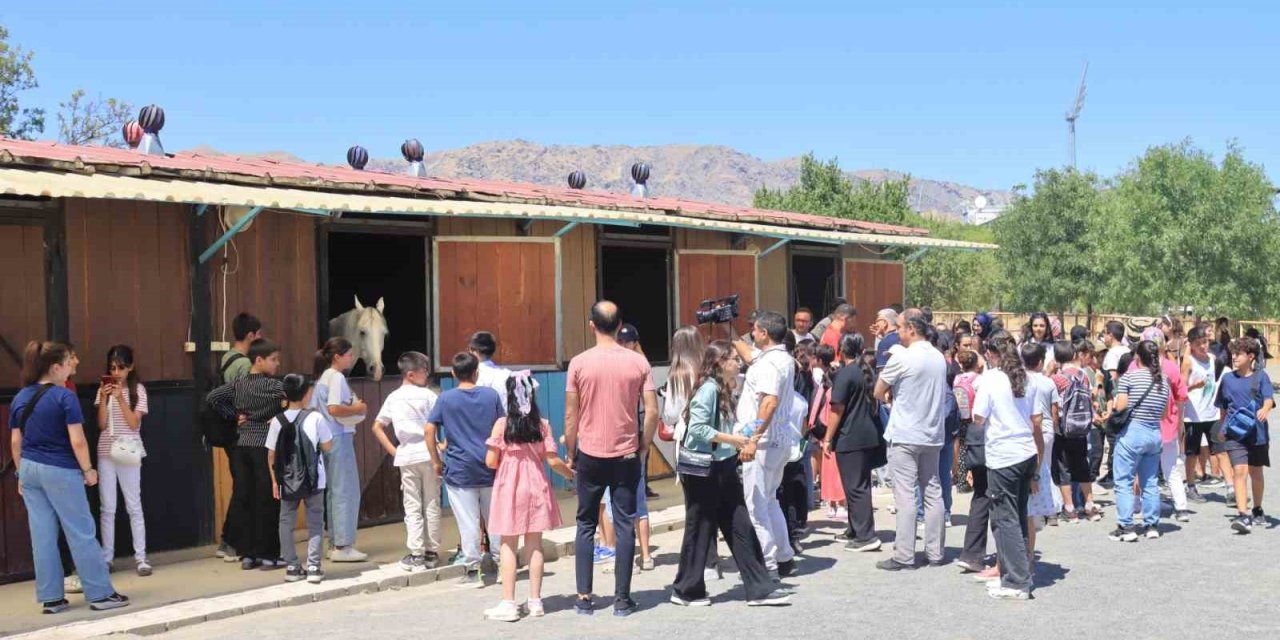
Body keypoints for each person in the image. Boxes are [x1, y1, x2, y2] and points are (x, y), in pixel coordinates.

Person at [10, 341, 130, 614]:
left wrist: (20, 473)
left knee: (42, 535)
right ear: (55, 368)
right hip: (61, 469)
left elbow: (16, 441)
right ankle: (100, 594)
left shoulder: (20, 397)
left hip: (29, 469)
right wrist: (88, 469)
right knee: (81, 532)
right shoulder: (64, 397)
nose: (73, 365)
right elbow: (77, 441)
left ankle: (51, 598)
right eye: (68, 361)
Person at [670, 341, 791, 607]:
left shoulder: (723, 390)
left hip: (723, 467)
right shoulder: (708, 391)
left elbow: (733, 429)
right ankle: (685, 590)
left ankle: (759, 588)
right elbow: (698, 430)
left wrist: (756, 427)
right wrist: (735, 441)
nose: (740, 363)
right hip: (704, 470)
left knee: (741, 526)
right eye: (735, 359)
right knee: (699, 528)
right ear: (720, 363)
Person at [563, 301, 658, 617]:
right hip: (626, 453)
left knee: (586, 523)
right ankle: (621, 599)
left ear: (592, 325)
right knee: (626, 521)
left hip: (590, 452)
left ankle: (584, 597)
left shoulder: (578, 363)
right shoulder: (638, 363)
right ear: (620, 326)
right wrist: (643, 447)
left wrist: (572, 451)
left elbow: (571, 414)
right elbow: (652, 411)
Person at [483, 372, 575, 621]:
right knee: (534, 545)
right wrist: (570, 474)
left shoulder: (502, 424)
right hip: (536, 485)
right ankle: (535, 602)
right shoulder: (542, 424)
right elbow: (553, 460)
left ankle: (509, 603)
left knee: (508, 544)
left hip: (509, 487)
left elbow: (491, 461)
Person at [872, 308, 948, 571]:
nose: (898, 332)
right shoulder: (939, 357)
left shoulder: (902, 358)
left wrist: (893, 397)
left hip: (905, 433)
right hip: (931, 432)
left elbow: (878, 391)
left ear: (911, 329)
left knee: (904, 495)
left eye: (901, 328)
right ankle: (935, 552)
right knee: (932, 491)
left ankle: (904, 554)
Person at [970, 334, 1042, 600]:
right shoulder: (1028, 378)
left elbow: (979, 418)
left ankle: (1016, 581)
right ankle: (1020, 572)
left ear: (992, 354)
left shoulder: (991, 379)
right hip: (1026, 453)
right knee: (1018, 516)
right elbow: (1036, 420)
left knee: (1005, 518)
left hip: (1004, 455)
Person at [206, 338, 286, 570]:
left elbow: (212, 398)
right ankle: (269, 554)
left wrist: (234, 415)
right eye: (273, 359)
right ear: (258, 360)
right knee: (269, 499)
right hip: (264, 444)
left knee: (247, 497)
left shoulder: (238, 384)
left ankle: (249, 554)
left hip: (241, 445)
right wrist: (278, 416)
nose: (277, 364)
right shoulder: (273, 386)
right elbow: (295, 393)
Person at [427, 352, 505, 587]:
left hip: (459, 468)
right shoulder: (490, 396)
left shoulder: (446, 399)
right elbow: (501, 427)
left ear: (453, 373)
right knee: (496, 520)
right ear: (476, 372)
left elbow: (429, 430)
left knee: (468, 521)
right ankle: (504, 567)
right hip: (491, 466)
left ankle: (473, 572)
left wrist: (435, 461)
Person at [734, 311, 799, 581]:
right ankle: (783, 556)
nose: (752, 334)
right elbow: (750, 357)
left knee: (756, 506)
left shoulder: (769, 365)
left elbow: (769, 401)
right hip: (779, 441)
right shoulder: (781, 358)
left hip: (763, 444)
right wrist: (731, 332)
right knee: (770, 501)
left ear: (764, 334)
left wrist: (753, 437)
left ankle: (767, 564)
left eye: (755, 330)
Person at [371, 351, 443, 572]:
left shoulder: (394, 397)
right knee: (432, 502)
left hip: (407, 456)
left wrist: (395, 451)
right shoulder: (429, 396)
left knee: (412, 505)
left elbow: (377, 426)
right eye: (424, 371)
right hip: (430, 454)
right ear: (411, 374)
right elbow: (445, 419)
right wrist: (443, 445)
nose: (427, 375)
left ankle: (416, 553)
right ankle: (432, 552)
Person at [266, 374, 333, 584]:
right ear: (305, 395)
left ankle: (293, 567)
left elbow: (271, 455)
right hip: (314, 479)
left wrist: (274, 481)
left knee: (286, 521)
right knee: (315, 522)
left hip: (286, 478)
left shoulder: (277, 421)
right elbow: (328, 446)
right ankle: (313, 566)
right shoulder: (316, 418)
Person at [600, 324, 655, 571]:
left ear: (634, 342)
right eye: (620, 341)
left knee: (621, 502)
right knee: (633, 500)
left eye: (627, 341)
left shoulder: (636, 366)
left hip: (627, 442)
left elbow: (649, 411)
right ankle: (641, 556)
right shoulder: (639, 365)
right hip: (633, 441)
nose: (623, 345)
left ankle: (631, 556)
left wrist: (644, 445)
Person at [825, 333, 885, 552]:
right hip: (868, 435)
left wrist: (827, 438)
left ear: (841, 350)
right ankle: (855, 528)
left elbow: (836, 410)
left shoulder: (846, 374)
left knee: (855, 487)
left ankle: (865, 536)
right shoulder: (864, 371)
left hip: (851, 437)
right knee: (860, 485)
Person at [311, 337, 369, 563]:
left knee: (335, 491)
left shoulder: (323, 378)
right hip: (339, 437)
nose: (351, 357)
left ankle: (335, 542)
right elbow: (335, 408)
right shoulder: (336, 378)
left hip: (327, 438)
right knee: (345, 490)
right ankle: (343, 545)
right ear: (337, 357)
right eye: (348, 354)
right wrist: (358, 407)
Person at [95, 345, 151, 575]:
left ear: (130, 367)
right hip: (106, 451)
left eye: (120, 367)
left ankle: (141, 558)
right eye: (112, 368)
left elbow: (133, 423)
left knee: (133, 504)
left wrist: (120, 399)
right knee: (107, 507)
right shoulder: (104, 391)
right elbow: (101, 424)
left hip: (128, 450)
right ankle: (107, 558)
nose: (116, 372)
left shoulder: (138, 390)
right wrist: (107, 397)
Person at [1109, 340, 1171, 542]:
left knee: (1124, 481)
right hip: (1154, 432)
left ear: (1137, 357)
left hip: (1132, 432)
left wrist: (1110, 409)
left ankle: (1126, 526)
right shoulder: (1164, 380)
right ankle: (1152, 524)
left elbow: (1121, 406)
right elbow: (1163, 413)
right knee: (1150, 481)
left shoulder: (1129, 377)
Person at [1215, 337, 1274, 534]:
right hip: (1235, 435)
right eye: (1232, 354)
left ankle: (1257, 509)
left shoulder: (1261, 377)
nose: (1234, 357)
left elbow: (1268, 399)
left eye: (1238, 354)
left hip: (1257, 434)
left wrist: (1265, 409)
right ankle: (1243, 514)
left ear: (1250, 357)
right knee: (1239, 472)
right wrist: (1221, 429)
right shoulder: (1227, 379)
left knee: (1256, 473)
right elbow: (1223, 408)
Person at [216, 312, 262, 562]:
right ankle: (231, 541)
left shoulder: (226, 358)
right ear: (250, 335)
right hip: (241, 433)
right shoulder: (244, 364)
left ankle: (232, 541)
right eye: (258, 335)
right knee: (245, 486)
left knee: (242, 485)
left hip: (227, 432)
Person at [1049, 341, 1100, 523]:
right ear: (1074, 356)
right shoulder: (1083, 375)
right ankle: (1089, 505)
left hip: (1064, 429)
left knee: (1064, 468)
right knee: (1082, 465)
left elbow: (1053, 404)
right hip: (1081, 427)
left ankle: (1070, 509)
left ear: (1056, 358)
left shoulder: (1056, 378)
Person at [1022, 343, 1062, 557]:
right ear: (1040, 362)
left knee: (1031, 472)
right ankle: (1049, 511)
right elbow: (1054, 411)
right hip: (1045, 429)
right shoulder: (1048, 382)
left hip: (1027, 429)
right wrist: (1055, 428)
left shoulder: (1019, 380)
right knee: (1043, 468)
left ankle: (1035, 512)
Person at [1181, 326, 1219, 503]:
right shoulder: (1188, 361)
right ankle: (1190, 485)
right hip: (1193, 415)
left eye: (1205, 342)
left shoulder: (1213, 359)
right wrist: (1193, 386)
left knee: (1221, 450)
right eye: (1199, 344)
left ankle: (1231, 487)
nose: (1204, 346)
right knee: (1192, 452)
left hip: (1212, 414)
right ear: (1192, 345)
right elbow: (1180, 389)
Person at [471, 331, 513, 411]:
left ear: (472, 350)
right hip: (504, 421)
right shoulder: (507, 374)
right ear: (493, 350)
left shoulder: (471, 375)